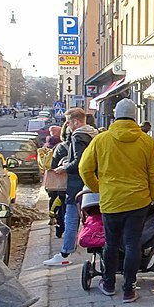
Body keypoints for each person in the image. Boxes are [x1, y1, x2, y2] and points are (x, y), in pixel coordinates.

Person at [78, 99, 154, 303]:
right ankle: (129, 288)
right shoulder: (146, 141)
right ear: (135, 116)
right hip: (138, 201)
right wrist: (151, 195)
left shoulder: (101, 140)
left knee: (111, 243)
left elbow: (84, 168)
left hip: (111, 200)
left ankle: (108, 283)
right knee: (133, 244)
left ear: (115, 115)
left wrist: (98, 187)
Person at [42, 108, 98, 267]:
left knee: (71, 219)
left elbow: (79, 162)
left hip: (77, 185)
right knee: (91, 218)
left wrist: (65, 167)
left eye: (68, 121)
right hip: (91, 183)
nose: (67, 125)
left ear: (76, 121)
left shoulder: (78, 136)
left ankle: (65, 253)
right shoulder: (93, 134)